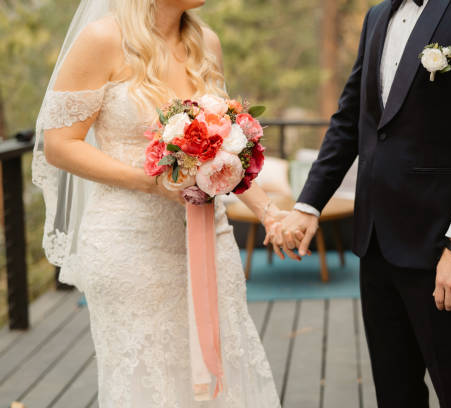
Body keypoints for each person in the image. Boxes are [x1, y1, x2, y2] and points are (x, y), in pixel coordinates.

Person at [269, 0, 451, 406]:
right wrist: (308, 206)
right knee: (395, 393)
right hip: (375, 244)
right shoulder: (377, 16)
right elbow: (351, 119)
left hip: (442, 245)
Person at [33, 0, 281, 406]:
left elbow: (222, 156)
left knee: (225, 369)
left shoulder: (206, 44)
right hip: (129, 243)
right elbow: (59, 146)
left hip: (210, 237)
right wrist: (148, 184)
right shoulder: (102, 39)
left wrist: (268, 211)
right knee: (152, 381)